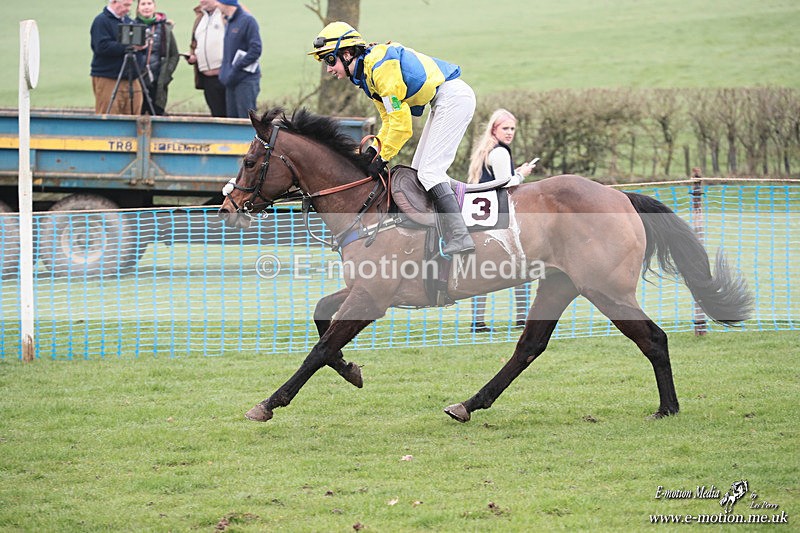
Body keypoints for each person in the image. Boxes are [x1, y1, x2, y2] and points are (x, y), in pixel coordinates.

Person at [308, 21, 476, 256]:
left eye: (329, 60)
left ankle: (460, 235)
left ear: (347, 54)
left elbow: (402, 125)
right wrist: (374, 152)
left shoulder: (380, 68)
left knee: (429, 173)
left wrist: (382, 157)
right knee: (419, 172)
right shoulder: (368, 75)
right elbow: (389, 121)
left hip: (454, 98)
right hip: (443, 101)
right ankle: (441, 234)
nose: (328, 69)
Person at [466, 109, 537, 332]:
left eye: (512, 129)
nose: (510, 133)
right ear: (494, 129)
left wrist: (514, 172)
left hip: (479, 217)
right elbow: (506, 184)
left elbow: (495, 180)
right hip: (498, 218)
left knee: (482, 270)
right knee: (523, 264)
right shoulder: (500, 153)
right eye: (505, 128)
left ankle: (478, 322)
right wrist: (523, 172)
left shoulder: (486, 151)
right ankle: (522, 318)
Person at [90, 0, 143, 114]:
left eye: (130, 5)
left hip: (131, 78)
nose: (128, 9)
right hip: (109, 77)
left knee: (134, 116)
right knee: (109, 116)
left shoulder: (129, 22)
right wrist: (128, 46)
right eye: (126, 5)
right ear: (114, 2)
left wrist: (142, 46)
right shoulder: (101, 21)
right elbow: (101, 47)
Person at [217, 0, 262, 118]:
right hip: (231, 80)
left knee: (246, 121)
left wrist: (236, 66)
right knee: (232, 122)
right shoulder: (229, 22)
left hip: (245, 80)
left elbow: (256, 50)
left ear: (224, 3)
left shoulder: (248, 21)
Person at [135, 0, 179, 115]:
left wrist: (167, 73)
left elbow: (174, 54)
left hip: (157, 81)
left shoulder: (164, 28)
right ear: (138, 7)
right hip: (137, 81)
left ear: (154, 6)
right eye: (143, 4)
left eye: (149, 3)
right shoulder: (132, 26)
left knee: (157, 114)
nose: (146, 7)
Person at [188, 0, 227, 117]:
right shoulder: (200, 18)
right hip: (207, 79)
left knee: (232, 116)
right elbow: (194, 44)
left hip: (226, 76)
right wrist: (193, 55)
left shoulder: (226, 14)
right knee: (217, 116)